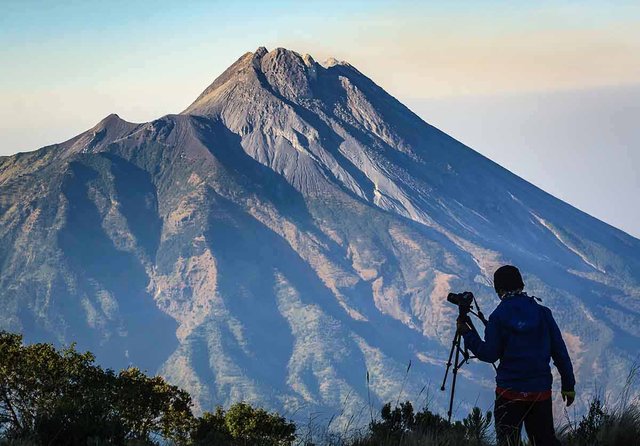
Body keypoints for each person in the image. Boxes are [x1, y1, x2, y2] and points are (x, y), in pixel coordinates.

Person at [457, 265, 575, 446]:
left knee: (508, 442)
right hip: (540, 391)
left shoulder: (498, 317)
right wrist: (568, 384)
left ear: (499, 290)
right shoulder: (543, 313)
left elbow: (489, 354)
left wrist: (467, 334)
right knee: (545, 441)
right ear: (521, 284)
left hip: (509, 392)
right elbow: (559, 351)